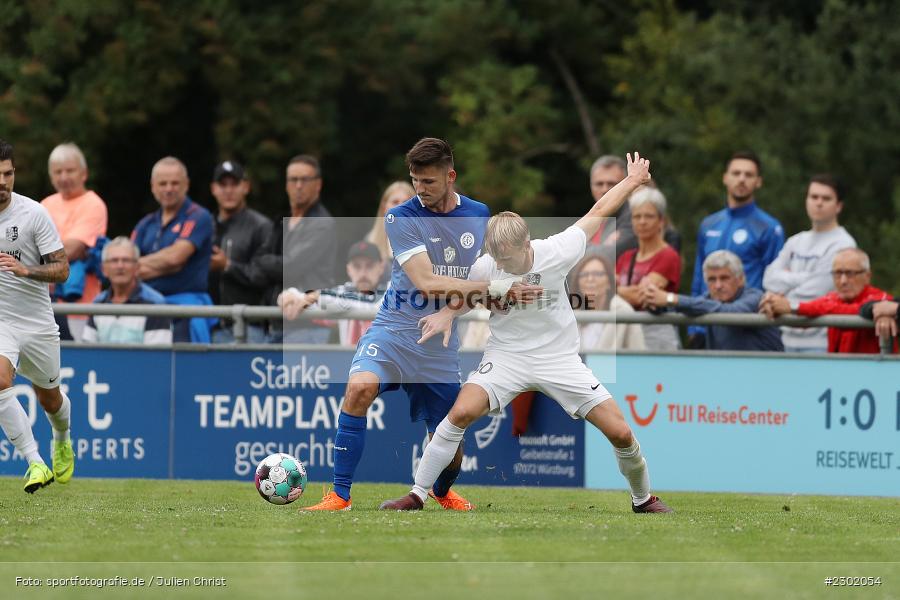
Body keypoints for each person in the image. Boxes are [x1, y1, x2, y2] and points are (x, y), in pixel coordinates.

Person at [380, 152, 673, 514]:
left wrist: (631, 181)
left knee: (621, 433)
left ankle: (643, 499)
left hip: (559, 359)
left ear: (526, 244)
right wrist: (445, 315)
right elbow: (469, 294)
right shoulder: (487, 263)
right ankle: (417, 494)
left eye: (508, 259)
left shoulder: (557, 250)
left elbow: (597, 212)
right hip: (507, 358)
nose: (501, 266)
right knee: (457, 415)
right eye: (496, 259)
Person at [303, 137, 540, 511]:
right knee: (359, 389)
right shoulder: (400, 217)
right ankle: (339, 495)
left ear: (451, 176)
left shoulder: (479, 215)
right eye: (415, 180)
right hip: (395, 330)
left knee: (452, 441)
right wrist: (495, 287)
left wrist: (515, 283)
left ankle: (442, 492)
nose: (420, 189)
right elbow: (427, 282)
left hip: (440, 345)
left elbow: (493, 269)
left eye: (428, 181)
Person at [0, 138, 74, 493]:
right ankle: (35, 463)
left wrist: (26, 270)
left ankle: (61, 437)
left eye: (7, 174)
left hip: (37, 324)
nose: (2, 182)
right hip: (2, 324)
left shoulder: (32, 214)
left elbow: (63, 269)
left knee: (50, 399)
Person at [689, 151, 784, 348]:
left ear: (758, 181)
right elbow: (700, 275)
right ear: (725, 177)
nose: (742, 179)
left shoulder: (769, 228)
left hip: (747, 325)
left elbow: (775, 281)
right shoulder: (709, 224)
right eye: (736, 173)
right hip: (709, 322)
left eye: (749, 175)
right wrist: (694, 328)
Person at [762, 174, 856, 352]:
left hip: (821, 342)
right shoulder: (795, 241)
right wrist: (805, 278)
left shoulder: (844, 244)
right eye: (814, 197)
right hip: (785, 339)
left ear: (839, 206)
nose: (818, 202)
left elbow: (817, 292)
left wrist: (785, 293)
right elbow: (768, 279)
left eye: (826, 198)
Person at [251, 155, 336, 344]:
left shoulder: (322, 224)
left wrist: (267, 263)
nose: (298, 185)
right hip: (274, 324)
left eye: (304, 179)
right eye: (293, 179)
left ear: (318, 184)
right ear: (286, 184)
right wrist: (271, 264)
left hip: (307, 326)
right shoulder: (281, 221)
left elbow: (290, 268)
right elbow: (255, 268)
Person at [131, 157, 215, 343]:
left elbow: (176, 258)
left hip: (186, 304)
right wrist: (163, 264)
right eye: (163, 183)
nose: (169, 189)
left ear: (186, 185)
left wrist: (136, 265)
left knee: (189, 365)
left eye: (175, 183)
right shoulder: (146, 223)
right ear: (153, 186)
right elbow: (125, 265)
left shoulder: (199, 216)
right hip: (146, 302)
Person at [641, 250, 783, 351]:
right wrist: (654, 302)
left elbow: (731, 312)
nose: (718, 285)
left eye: (724, 278)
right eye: (712, 279)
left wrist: (671, 298)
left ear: (740, 279)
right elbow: (682, 306)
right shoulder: (707, 299)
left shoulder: (755, 297)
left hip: (764, 374)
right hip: (726, 373)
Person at [760, 248, 894, 354]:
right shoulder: (833, 298)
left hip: (876, 379)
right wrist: (773, 304)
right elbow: (811, 308)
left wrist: (792, 307)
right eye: (837, 274)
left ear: (867, 276)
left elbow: (853, 311)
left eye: (850, 273)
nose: (843, 281)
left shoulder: (881, 299)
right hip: (840, 377)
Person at [41, 143, 109, 341]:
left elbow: (73, 249)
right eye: (58, 172)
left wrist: (31, 265)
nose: (64, 177)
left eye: (70, 170)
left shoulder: (93, 204)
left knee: (78, 364)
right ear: (51, 176)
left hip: (80, 307)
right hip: (44, 307)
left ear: (84, 173)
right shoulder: (45, 204)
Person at [207, 160, 272, 343]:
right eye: (223, 184)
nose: (229, 190)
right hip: (208, 324)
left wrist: (227, 266)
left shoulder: (261, 226)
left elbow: (263, 276)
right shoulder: (205, 225)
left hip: (249, 326)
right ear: (213, 188)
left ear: (246, 187)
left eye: (234, 184)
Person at [278, 240, 386, 346]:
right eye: (357, 266)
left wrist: (316, 297)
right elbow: (318, 302)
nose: (363, 273)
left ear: (381, 267)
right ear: (349, 270)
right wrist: (290, 295)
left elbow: (372, 305)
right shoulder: (342, 293)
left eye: (369, 266)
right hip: (351, 362)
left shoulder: (394, 290)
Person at [615, 186, 681, 350]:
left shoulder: (668, 256)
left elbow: (642, 296)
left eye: (649, 216)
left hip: (656, 337)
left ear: (661, 221)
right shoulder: (626, 257)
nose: (642, 221)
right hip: (626, 335)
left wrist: (616, 289)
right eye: (637, 216)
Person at [81, 237, 172, 344]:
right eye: (114, 260)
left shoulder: (155, 304)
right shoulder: (98, 303)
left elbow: (158, 357)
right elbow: (88, 351)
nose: (120, 266)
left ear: (137, 268)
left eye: (126, 260)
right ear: (104, 269)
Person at [586, 155, 680, 255]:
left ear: (627, 185)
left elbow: (610, 254)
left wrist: (582, 246)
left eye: (612, 184)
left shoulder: (634, 213)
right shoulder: (592, 217)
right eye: (599, 184)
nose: (605, 189)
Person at [568, 250, 644, 351]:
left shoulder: (624, 312)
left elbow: (638, 352)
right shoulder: (570, 317)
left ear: (609, 282)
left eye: (597, 274)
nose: (590, 279)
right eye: (584, 275)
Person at [366, 181, 416, 276]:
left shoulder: (427, 240)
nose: (400, 208)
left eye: (406, 203)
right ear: (384, 207)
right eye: (395, 202)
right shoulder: (370, 241)